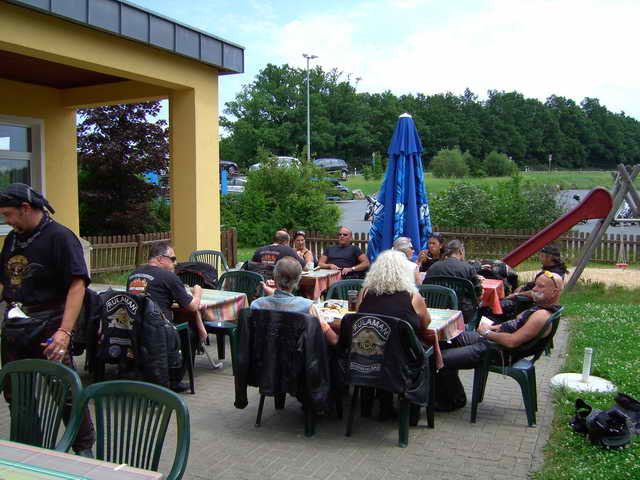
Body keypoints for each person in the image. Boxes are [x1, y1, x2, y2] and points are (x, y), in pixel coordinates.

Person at [0, 183, 95, 456]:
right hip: (16, 327)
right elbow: (4, 282)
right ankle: (29, 445)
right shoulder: (13, 239)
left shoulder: (60, 237)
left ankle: (84, 448)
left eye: (8, 215)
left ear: (25, 208)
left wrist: (64, 332)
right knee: (16, 393)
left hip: (50, 326)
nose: (7, 221)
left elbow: (77, 285)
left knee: (65, 393)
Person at [435, 271, 564, 411]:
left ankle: (454, 400)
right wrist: (494, 328)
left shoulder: (541, 316)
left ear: (554, 292)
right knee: (450, 338)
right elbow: (514, 325)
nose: (535, 289)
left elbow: (512, 342)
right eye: (535, 285)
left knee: (440, 359)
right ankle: (445, 392)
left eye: (541, 286)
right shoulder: (541, 307)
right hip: (494, 342)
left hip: (498, 352)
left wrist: (487, 333)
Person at [355, 249, 432, 420]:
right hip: (400, 359)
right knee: (421, 350)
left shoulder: (365, 292)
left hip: (368, 355)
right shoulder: (412, 296)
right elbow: (425, 324)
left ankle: (373, 405)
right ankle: (413, 410)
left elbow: (360, 316)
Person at [127, 241, 208, 392]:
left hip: (135, 327)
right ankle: (175, 379)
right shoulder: (168, 276)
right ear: (160, 258)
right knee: (191, 331)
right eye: (173, 259)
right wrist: (198, 292)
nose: (175, 263)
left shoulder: (133, 274)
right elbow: (192, 306)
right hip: (160, 329)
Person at [252, 257, 338, 345]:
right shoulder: (308, 307)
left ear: (274, 277)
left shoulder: (256, 305)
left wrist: (272, 295)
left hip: (265, 352)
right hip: (298, 353)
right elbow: (333, 339)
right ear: (298, 280)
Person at [490, 244, 568, 322]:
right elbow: (536, 284)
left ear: (549, 258)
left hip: (527, 301)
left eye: (542, 256)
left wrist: (516, 294)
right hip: (525, 297)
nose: (539, 258)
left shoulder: (552, 275)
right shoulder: (553, 269)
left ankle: (494, 326)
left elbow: (538, 293)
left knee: (494, 307)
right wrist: (523, 286)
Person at [424, 239, 483, 324]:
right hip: (462, 314)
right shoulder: (468, 268)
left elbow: (426, 291)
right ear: (461, 251)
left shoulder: (433, 268)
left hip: (436, 312)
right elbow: (478, 293)